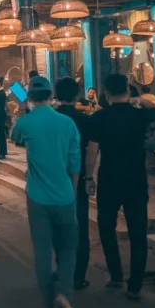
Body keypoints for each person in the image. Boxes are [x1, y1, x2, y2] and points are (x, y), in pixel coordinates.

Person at [11, 76, 82, 308]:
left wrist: (21, 109)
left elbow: (14, 136)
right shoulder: (67, 123)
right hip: (64, 194)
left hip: (37, 197)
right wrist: (71, 192)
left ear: (30, 96)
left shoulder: (26, 122)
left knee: (43, 253)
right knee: (68, 248)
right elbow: (75, 161)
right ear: (51, 95)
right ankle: (64, 292)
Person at [86, 73, 155, 299]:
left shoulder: (99, 118)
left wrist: (89, 178)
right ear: (128, 90)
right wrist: (138, 100)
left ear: (106, 94)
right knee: (138, 230)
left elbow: (92, 150)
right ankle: (135, 285)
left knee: (106, 225)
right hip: (136, 179)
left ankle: (116, 275)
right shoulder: (140, 115)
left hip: (109, 178)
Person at [53, 76, 97, 290]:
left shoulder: (52, 119)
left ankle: (62, 270)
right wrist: (89, 177)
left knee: (58, 226)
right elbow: (90, 151)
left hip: (54, 178)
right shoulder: (84, 120)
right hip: (77, 178)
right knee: (79, 226)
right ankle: (79, 276)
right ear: (77, 95)